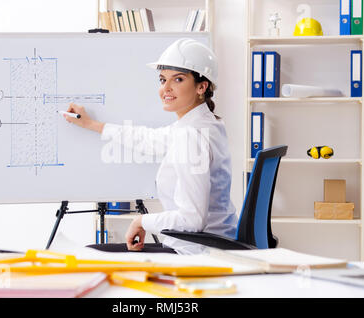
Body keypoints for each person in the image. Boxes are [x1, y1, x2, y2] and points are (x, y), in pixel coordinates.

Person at [63, 38, 237, 255]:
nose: (166, 88)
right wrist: (92, 124)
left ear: (202, 86)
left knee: (91, 253)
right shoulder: (204, 124)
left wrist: (142, 221)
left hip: (196, 253)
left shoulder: (192, 134)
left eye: (178, 79)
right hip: (213, 245)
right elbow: (148, 139)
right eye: (162, 79)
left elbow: (192, 220)